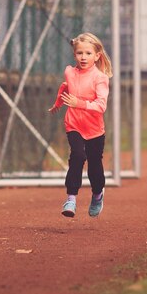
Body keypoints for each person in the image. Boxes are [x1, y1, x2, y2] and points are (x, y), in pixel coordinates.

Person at [48, 32, 112, 218]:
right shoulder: (70, 71)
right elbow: (65, 86)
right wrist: (58, 104)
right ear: (74, 54)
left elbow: (101, 106)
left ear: (97, 55)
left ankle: (98, 194)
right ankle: (71, 199)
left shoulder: (100, 78)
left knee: (94, 166)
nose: (83, 57)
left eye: (88, 53)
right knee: (77, 155)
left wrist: (80, 104)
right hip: (74, 124)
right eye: (79, 53)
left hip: (94, 130)